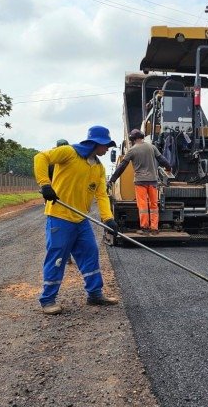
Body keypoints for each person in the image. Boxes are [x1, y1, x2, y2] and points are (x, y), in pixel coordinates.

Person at [33, 125, 120, 315]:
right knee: (57, 258)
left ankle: (95, 294)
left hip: (81, 219)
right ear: (96, 143)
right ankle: (48, 300)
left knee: (90, 253)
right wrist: (45, 184)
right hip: (60, 216)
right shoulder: (69, 152)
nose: (107, 149)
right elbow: (40, 157)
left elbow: (101, 195)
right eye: (106, 145)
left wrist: (108, 219)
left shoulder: (98, 167)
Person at [107, 129, 172, 235]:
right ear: (142, 137)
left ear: (133, 139)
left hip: (140, 181)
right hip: (153, 181)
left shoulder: (132, 150)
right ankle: (154, 228)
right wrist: (169, 168)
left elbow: (122, 166)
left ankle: (145, 228)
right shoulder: (152, 147)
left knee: (143, 205)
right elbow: (162, 160)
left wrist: (112, 179)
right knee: (154, 205)